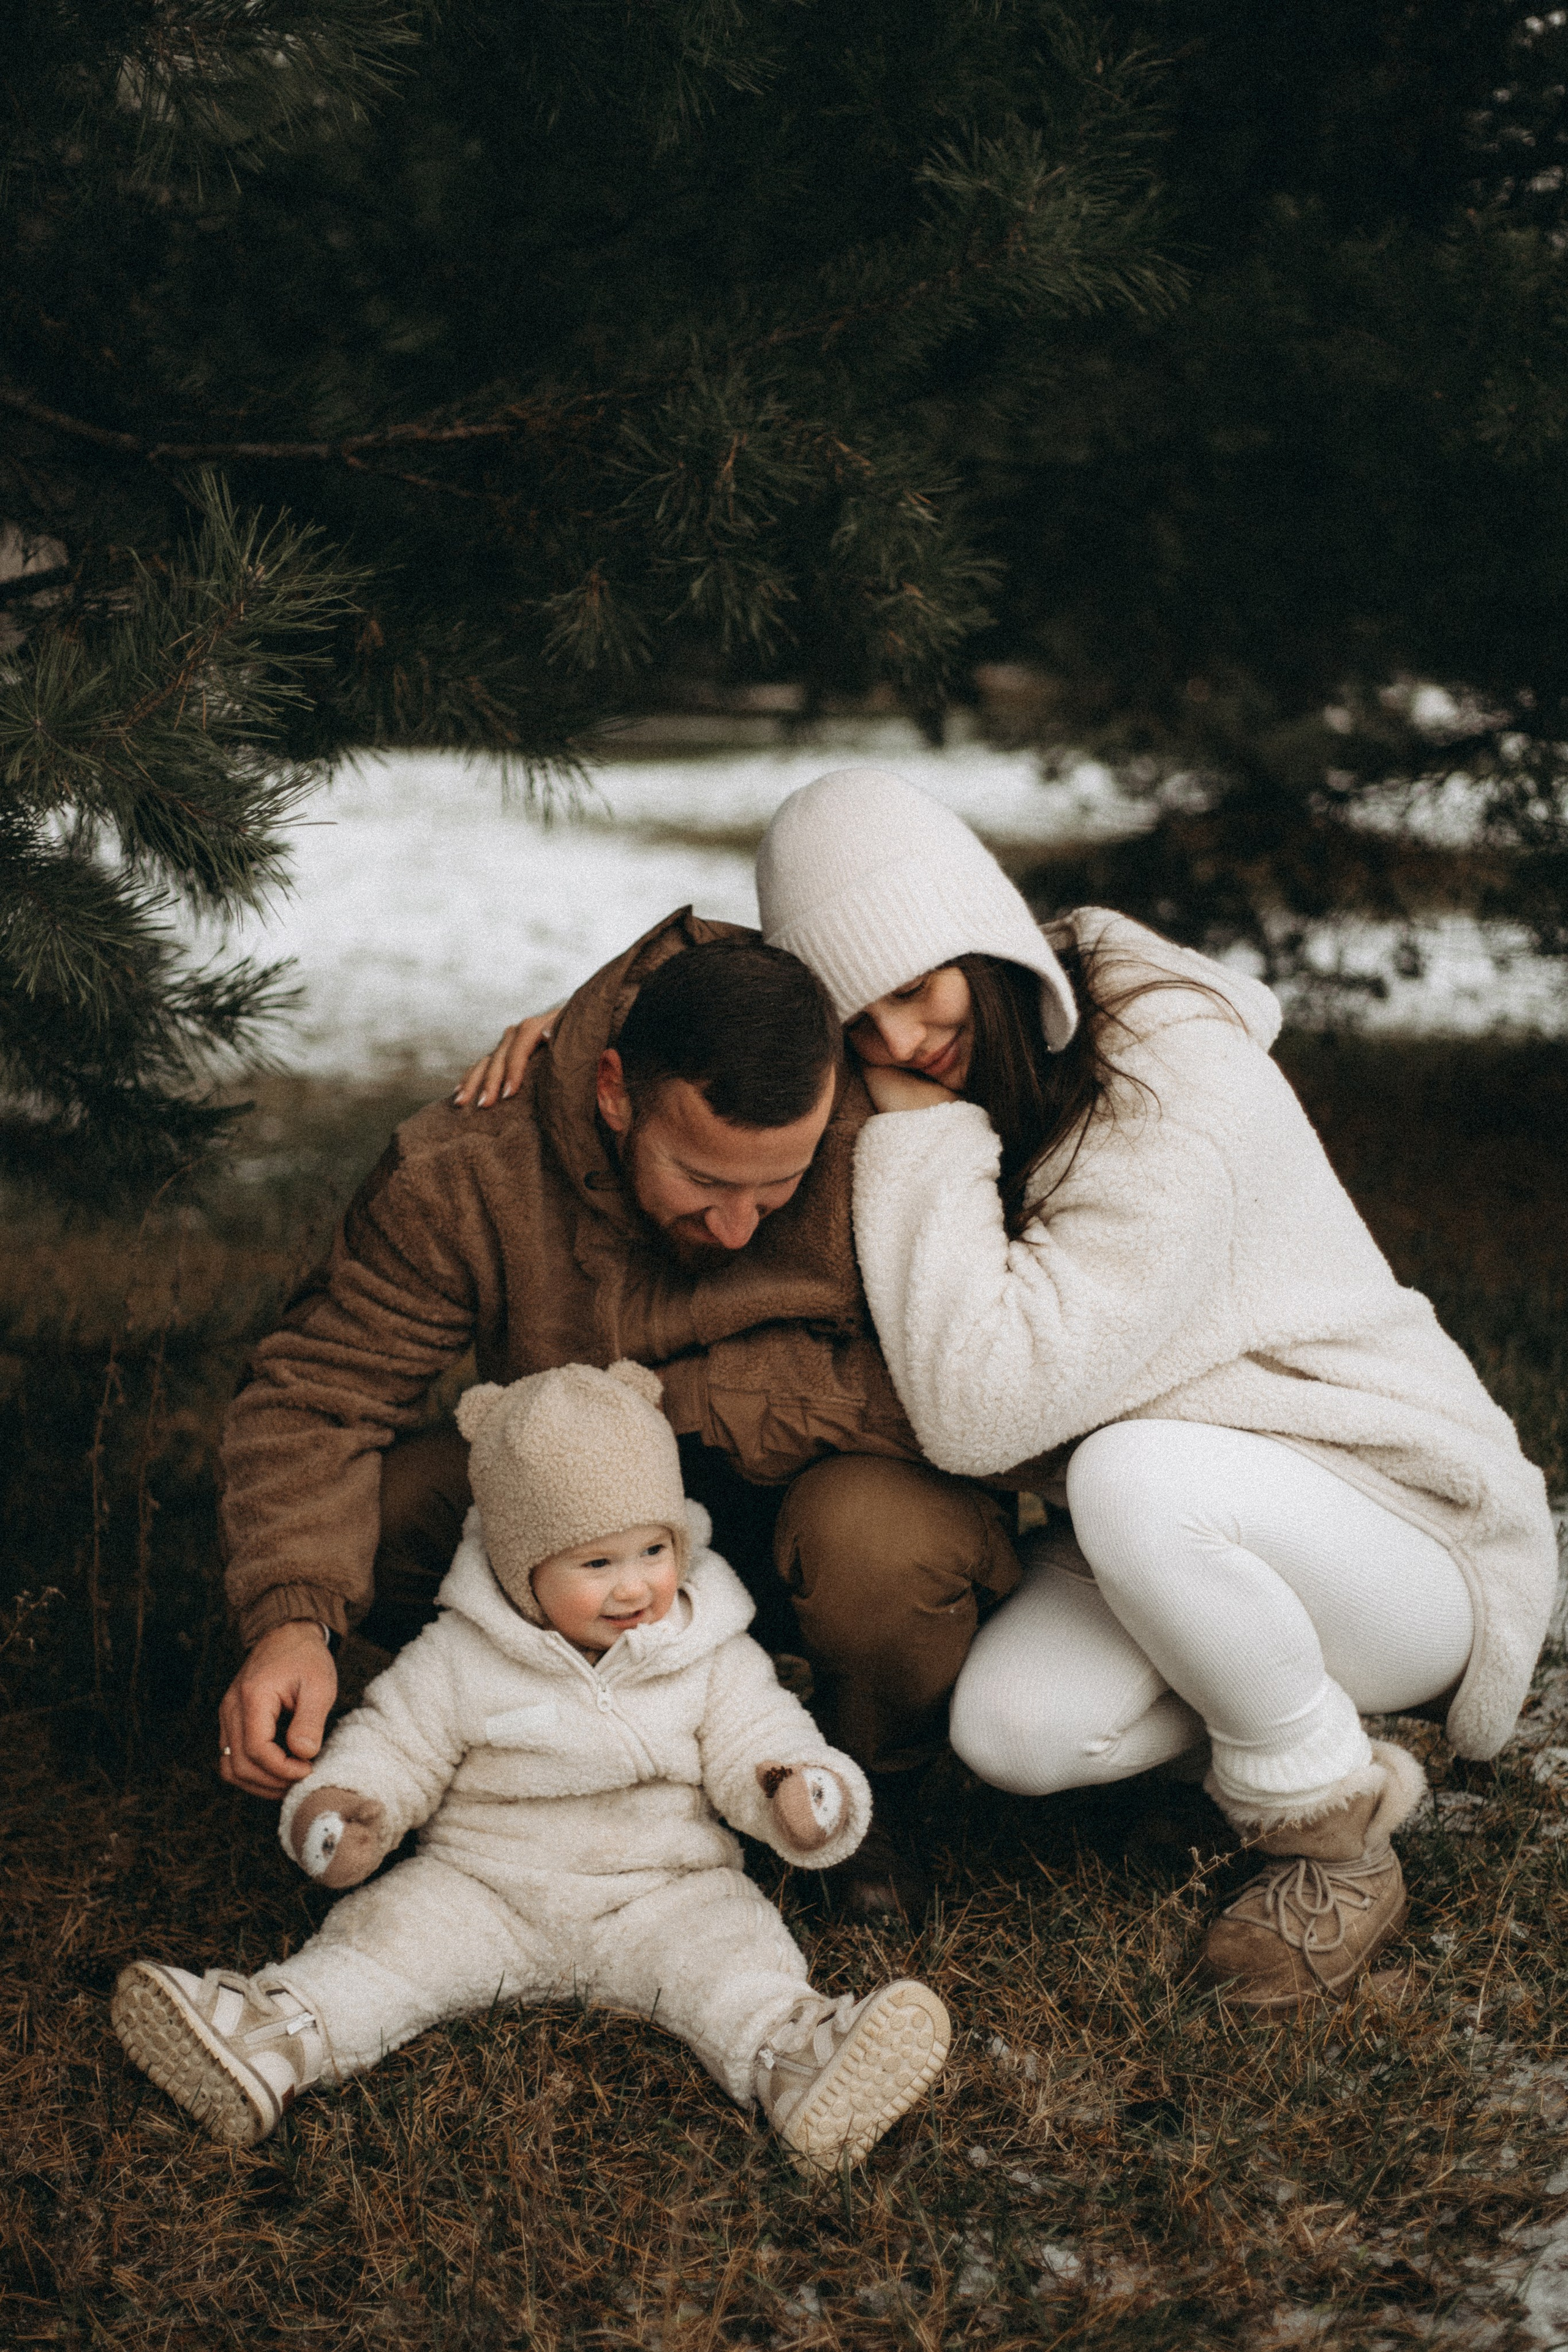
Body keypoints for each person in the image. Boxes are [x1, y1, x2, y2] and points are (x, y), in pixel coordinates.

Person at [748, 764, 1558, 2011]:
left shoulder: (1167, 1086)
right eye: (855, 1027)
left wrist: (908, 1135)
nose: (900, 1045)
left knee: (1128, 1474)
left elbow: (979, 1411)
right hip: (1196, 1511)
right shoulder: (997, 1073)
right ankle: (1243, 1730)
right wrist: (581, 1026)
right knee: (1009, 1735)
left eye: (915, 989)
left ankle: (1330, 1841)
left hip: (1399, 1525)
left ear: (983, 936)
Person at [221, 913, 1022, 1921]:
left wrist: (688, 1403)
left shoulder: (896, 1135)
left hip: (818, 1515)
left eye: (776, 1189)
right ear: (611, 1090)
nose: (737, 1228)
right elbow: (320, 1391)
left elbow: (977, 1394)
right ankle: (530, 1743)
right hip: (574, 1534)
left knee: (883, 1544)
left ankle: (865, 1784)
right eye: (703, 1181)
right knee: (380, 1517)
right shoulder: (472, 1169)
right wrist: (293, 1618)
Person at [116, 1362, 951, 2168]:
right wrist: (349, 1805)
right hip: (485, 1886)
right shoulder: (461, 1654)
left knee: (735, 1959)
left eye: (653, 1552)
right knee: (384, 1950)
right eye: (597, 1565)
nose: (634, 1589)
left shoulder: (708, 1648)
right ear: (522, 1572)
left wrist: (800, 1792)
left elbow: (758, 1738)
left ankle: (794, 2057)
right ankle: (271, 2037)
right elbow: (396, 1740)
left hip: (663, 1890)